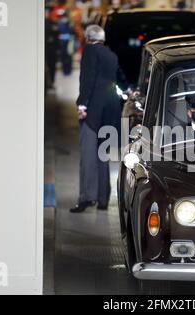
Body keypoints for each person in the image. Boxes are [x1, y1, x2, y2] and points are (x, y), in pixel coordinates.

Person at [70, 25, 121, 213]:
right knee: (102, 154)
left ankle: (86, 198)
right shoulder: (111, 54)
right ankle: (102, 199)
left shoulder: (90, 51)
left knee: (87, 155)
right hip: (110, 109)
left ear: (87, 38)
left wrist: (82, 105)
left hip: (93, 110)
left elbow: (87, 79)